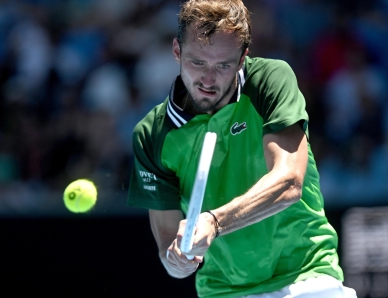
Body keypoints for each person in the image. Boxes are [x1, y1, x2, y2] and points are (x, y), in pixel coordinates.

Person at [128, 1, 356, 297]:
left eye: (223, 65)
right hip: (222, 290)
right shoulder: (151, 135)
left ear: (241, 59)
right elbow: (168, 247)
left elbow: (289, 182)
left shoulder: (270, 80)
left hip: (306, 279)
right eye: (197, 62)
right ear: (177, 51)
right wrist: (178, 261)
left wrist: (215, 221)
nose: (208, 79)